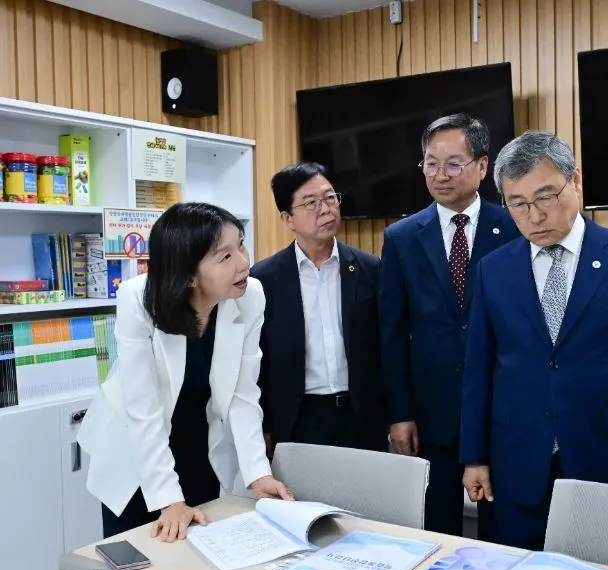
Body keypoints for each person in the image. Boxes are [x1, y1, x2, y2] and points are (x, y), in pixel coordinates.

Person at [459, 130, 608, 551]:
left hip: (604, 453)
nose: (534, 216)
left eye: (545, 197)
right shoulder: (493, 269)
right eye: (517, 204)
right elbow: (479, 369)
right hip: (515, 457)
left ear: (575, 182)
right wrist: (475, 455)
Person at [78, 202, 292, 542]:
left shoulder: (250, 295)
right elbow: (142, 409)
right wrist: (168, 499)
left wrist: (257, 473)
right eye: (225, 257)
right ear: (189, 274)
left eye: (241, 244)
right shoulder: (138, 299)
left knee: (203, 557)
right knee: (141, 566)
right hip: (136, 453)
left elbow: (243, 394)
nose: (243, 262)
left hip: (201, 445)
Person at [379, 113, 520, 537]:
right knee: (435, 527)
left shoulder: (514, 227)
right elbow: (391, 333)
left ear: (482, 166)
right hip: (430, 412)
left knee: (501, 526)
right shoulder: (401, 237)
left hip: (500, 407)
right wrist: (399, 413)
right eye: (431, 163)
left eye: (454, 163)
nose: (440, 174)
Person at [253, 162, 388, 455]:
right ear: (288, 218)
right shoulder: (264, 280)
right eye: (311, 203)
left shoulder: (370, 269)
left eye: (330, 198)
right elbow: (258, 360)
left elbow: (387, 347)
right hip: (299, 420)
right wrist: (262, 425)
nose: (326, 209)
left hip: (361, 415)